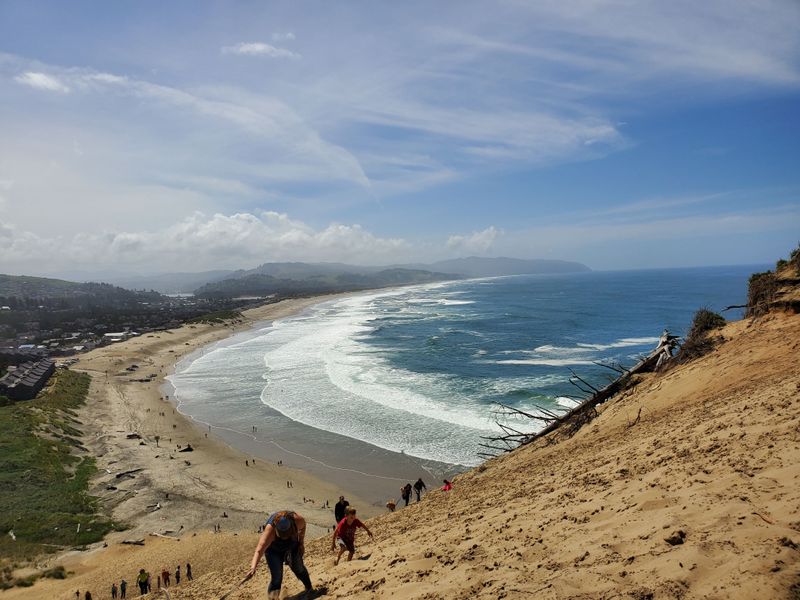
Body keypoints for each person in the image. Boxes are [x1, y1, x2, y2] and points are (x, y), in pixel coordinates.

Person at [246, 510, 313, 599]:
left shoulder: (297, 520)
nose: (285, 537)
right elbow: (259, 550)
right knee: (277, 576)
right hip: (273, 551)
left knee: (299, 568)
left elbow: (303, 526)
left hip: (291, 546)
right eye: (282, 534)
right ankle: (273, 598)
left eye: (287, 533)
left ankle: (309, 588)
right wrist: (253, 567)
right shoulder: (270, 531)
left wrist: (301, 542)